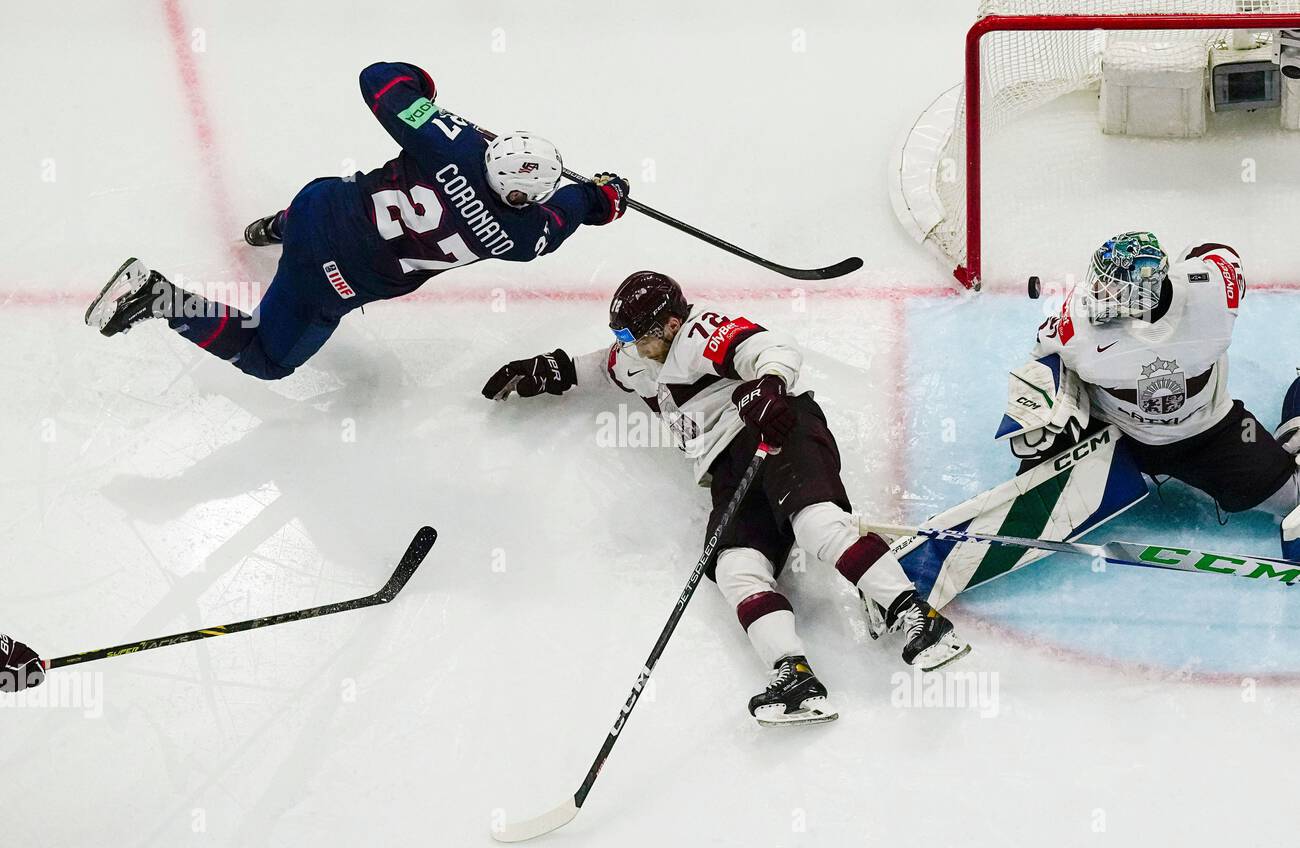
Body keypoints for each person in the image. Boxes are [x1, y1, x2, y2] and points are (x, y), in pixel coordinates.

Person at [481, 270, 970, 726]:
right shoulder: (632, 356)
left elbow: (769, 347)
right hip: (728, 470)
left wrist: (770, 386)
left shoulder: (697, 333)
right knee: (734, 568)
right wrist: (547, 370)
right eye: (621, 336)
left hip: (777, 431)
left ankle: (918, 617)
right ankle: (794, 677)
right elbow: (594, 368)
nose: (626, 345)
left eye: (635, 335)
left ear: (671, 324)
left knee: (818, 525)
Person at [85, 62, 630, 382]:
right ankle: (157, 296)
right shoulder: (521, 235)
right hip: (330, 283)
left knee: (332, 207)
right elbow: (572, 212)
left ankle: (274, 228)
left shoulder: (449, 139)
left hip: (317, 208)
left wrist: (425, 95)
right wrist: (603, 195)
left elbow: (380, 81)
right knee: (266, 359)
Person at [1002, 231, 1300, 558]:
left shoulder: (1212, 296)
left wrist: (1190, 261)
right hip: (1114, 434)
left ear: (1145, 293)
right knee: (1044, 449)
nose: (1098, 292)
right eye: (1099, 280)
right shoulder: (1078, 324)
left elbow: (1219, 253)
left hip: (1209, 433)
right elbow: (1043, 360)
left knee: (1291, 496)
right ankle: (1039, 476)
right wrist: (1037, 412)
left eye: (1112, 287)